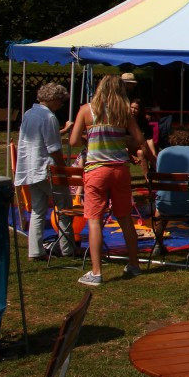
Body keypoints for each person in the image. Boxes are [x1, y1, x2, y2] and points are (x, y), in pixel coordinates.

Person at [69, 74, 153, 286]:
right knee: (125, 218)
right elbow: (140, 139)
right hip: (120, 170)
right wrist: (125, 142)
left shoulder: (87, 110)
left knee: (95, 220)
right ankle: (134, 264)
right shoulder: (123, 111)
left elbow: (72, 140)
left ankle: (96, 272)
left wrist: (89, 138)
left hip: (96, 169)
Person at [15, 83, 74, 260]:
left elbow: (40, 139)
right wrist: (62, 168)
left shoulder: (29, 113)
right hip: (46, 169)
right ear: (54, 100)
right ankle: (67, 248)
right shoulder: (48, 117)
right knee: (64, 208)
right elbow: (53, 147)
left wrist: (63, 131)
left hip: (31, 168)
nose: (61, 105)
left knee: (37, 210)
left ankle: (35, 250)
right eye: (61, 102)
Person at [151, 135, 189, 256]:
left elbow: (161, 182)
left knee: (160, 206)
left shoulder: (162, 154)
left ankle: (158, 244)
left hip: (166, 205)